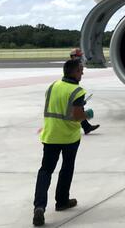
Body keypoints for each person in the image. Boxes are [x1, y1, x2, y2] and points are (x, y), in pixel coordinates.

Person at [32, 58, 93, 226]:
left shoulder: (52, 86)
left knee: (45, 171)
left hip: (50, 135)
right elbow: (76, 115)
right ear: (73, 72)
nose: (82, 73)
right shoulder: (77, 90)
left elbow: (57, 106)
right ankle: (62, 201)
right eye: (80, 70)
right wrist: (88, 113)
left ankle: (39, 207)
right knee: (66, 168)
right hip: (69, 137)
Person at [69, 48, 99, 135]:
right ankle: (86, 127)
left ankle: (86, 127)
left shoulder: (75, 64)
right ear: (73, 56)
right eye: (79, 56)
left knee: (79, 107)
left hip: (73, 86)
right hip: (71, 88)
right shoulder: (71, 66)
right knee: (77, 108)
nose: (80, 58)